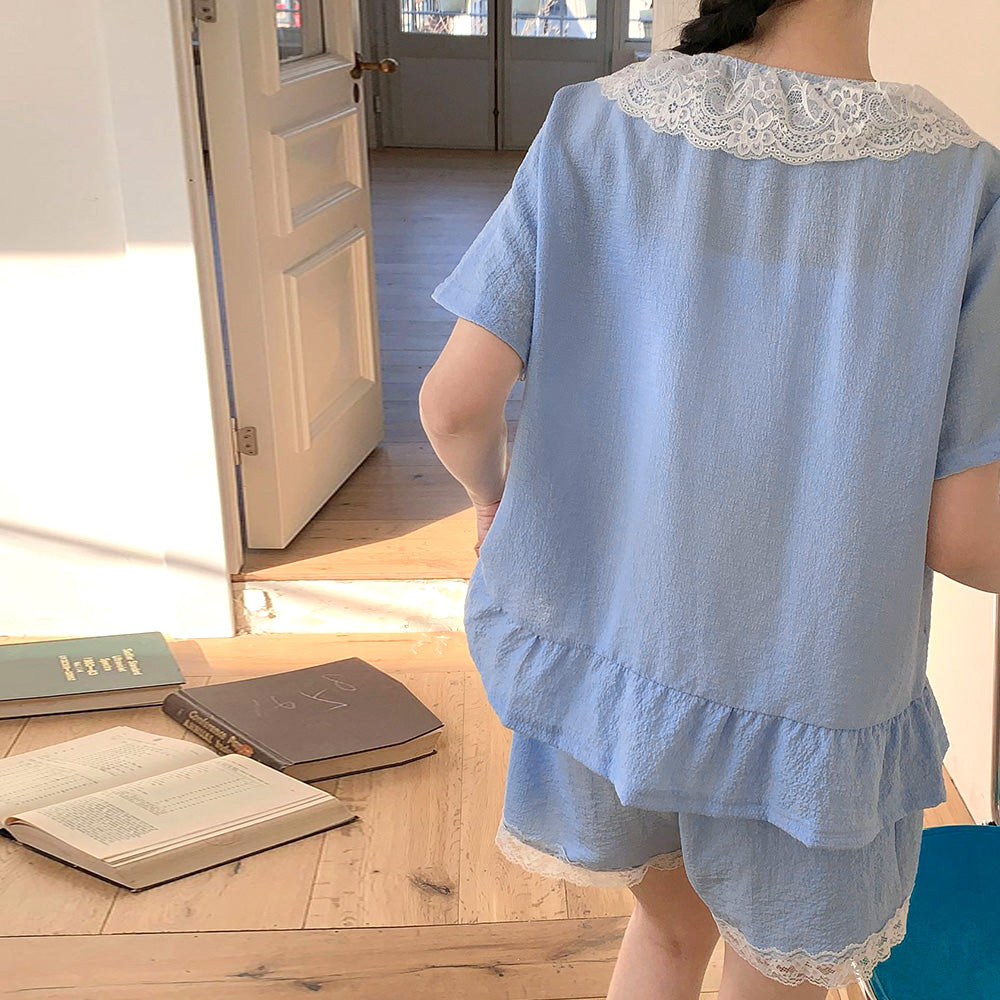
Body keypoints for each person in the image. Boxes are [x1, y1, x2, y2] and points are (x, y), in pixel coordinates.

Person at [418, 0, 1000, 996]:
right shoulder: (960, 182)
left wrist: (488, 500)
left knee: (665, 935)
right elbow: (969, 536)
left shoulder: (596, 123)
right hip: (809, 702)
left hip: (619, 668)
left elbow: (453, 403)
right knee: (776, 974)